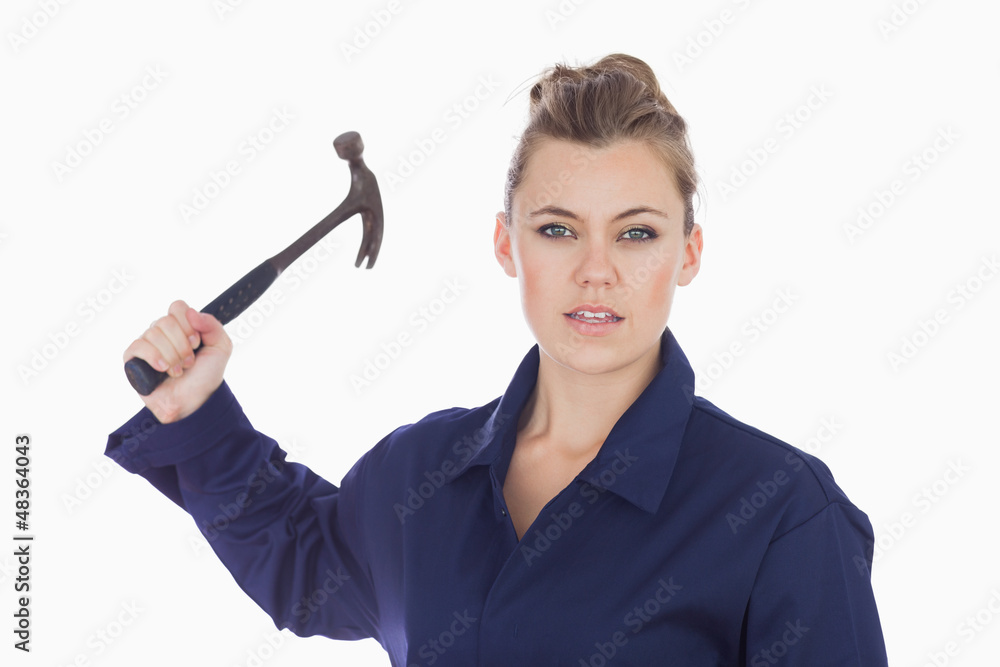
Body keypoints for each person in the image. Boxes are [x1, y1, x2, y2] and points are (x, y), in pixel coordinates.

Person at [107, 53, 889, 665]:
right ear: (505, 244)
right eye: (557, 229)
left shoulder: (781, 511)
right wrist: (194, 410)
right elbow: (305, 561)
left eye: (636, 232)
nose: (595, 269)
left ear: (688, 252)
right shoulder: (421, 474)